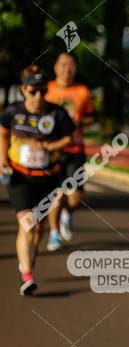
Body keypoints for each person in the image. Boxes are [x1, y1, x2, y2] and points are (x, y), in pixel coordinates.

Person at [0, 66, 74, 295]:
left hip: (47, 178)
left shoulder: (57, 114)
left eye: (43, 90)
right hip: (19, 176)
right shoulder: (12, 111)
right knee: (27, 223)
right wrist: (2, 160)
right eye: (33, 91)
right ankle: (27, 275)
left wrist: (49, 146)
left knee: (37, 228)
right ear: (23, 90)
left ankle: (28, 262)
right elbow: (2, 133)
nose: (39, 96)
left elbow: (69, 137)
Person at [44, 52, 96, 250]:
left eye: (71, 65)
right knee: (57, 193)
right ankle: (54, 234)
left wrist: (78, 121)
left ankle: (68, 214)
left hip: (75, 148)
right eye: (63, 64)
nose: (67, 68)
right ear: (56, 67)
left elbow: (91, 118)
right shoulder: (47, 89)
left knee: (76, 197)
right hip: (53, 149)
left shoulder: (82, 91)